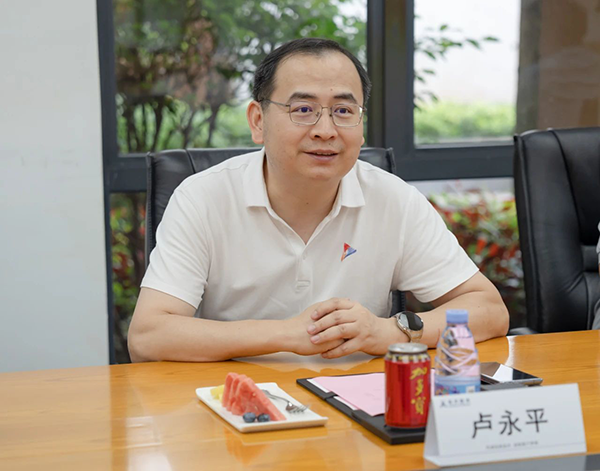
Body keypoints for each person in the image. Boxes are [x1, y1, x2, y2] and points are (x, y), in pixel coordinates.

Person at [128, 38, 509, 363]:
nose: (325, 130)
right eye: (303, 110)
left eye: (343, 111)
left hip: (359, 404)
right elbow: (148, 336)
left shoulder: (394, 199)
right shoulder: (203, 198)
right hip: (236, 404)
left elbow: (489, 310)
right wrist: (287, 335)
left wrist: (387, 331)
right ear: (258, 120)